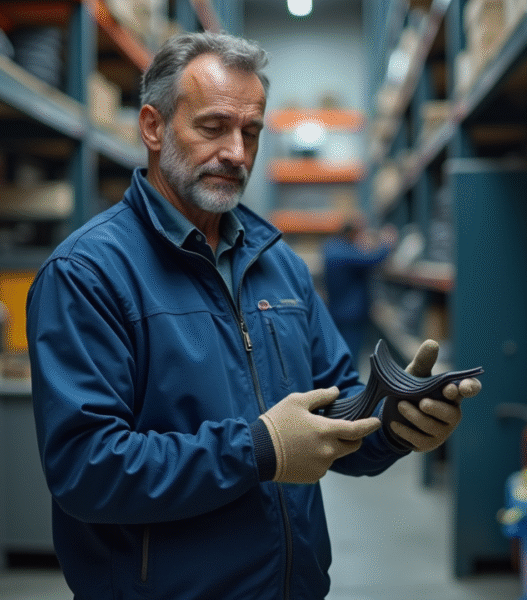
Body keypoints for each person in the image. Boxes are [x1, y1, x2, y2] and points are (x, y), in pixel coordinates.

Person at [25, 31, 481, 600]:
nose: (237, 153)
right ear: (153, 126)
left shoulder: (279, 265)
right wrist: (258, 449)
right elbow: (85, 470)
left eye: (251, 132)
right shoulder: (87, 274)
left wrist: (394, 423)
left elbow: (334, 405)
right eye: (213, 127)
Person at [322, 215, 396, 358]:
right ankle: (348, 379)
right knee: (350, 352)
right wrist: (387, 243)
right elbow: (372, 260)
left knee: (341, 351)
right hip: (350, 314)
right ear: (352, 233)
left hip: (339, 311)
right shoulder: (341, 252)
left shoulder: (333, 248)